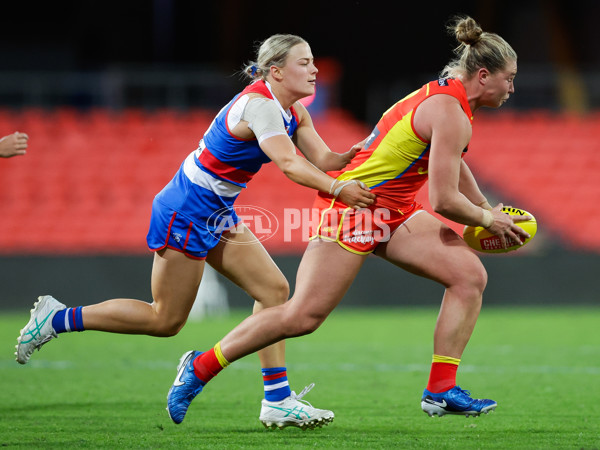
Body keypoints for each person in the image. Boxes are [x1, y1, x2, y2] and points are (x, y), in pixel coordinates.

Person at [165, 15, 531, 422]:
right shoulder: (449, 110)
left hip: (392, 210)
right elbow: (444, 199)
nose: (512, 88)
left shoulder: (452, 101)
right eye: (509, 79)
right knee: (303, 316)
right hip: (354, 211)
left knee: (468, 276)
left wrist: (486, 210)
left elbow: (453, 162)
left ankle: (441, 389)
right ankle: (198, 368)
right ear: (484, 75)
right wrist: (486, 218)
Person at [15, 34, 375, 429]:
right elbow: (290, 164)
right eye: (304, 62)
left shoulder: (294, 111)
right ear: (276, 71)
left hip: (216, 210)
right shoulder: (260, 107)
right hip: (186, 209)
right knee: (165, 320)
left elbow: (323, 159)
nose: (315, 69)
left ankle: (277, 399)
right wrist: (338, 188)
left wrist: (363, 151)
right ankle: (58, 318)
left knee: (274, 292)